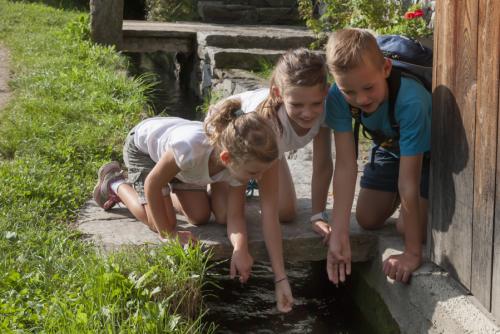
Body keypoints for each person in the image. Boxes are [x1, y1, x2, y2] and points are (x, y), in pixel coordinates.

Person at [92, 100, 294, 312]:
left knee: (199, 216)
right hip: (145, 152)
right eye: (255, 173)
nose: (259, 178)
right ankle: (115, 183)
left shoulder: (237, 164)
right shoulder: (189, 149)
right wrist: (167, 233)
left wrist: (240, 249)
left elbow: (235, 216)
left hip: (183, 168)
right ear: (226, 158)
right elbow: (153, 183)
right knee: (159, 221)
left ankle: (166, 196)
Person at [208, 48, 333, 307]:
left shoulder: (326, 109)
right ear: (278, 93)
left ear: (325, 93)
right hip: (233, 146)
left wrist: (317, 215)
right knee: (223, 215)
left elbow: (323, 164)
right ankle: (195, 186)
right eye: (297, 105)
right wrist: (280, 277)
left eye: (315, 104)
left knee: (286, 211)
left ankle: (253, 183)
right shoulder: (266, 123)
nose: (308, 113)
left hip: (267, 153)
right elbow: (266, 212)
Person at [322, 28, 431, 284]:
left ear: (386, 68)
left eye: (369, 87)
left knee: (407, 228)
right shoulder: (337, 97)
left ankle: (429, 201)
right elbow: (346, 166)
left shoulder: (412, 102)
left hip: (428, 156)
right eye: (349, 91)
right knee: (367, 219)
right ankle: (394, 198)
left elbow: (408, 182)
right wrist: (339, 233)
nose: (360, 99)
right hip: (390, 147)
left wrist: (412, 253)